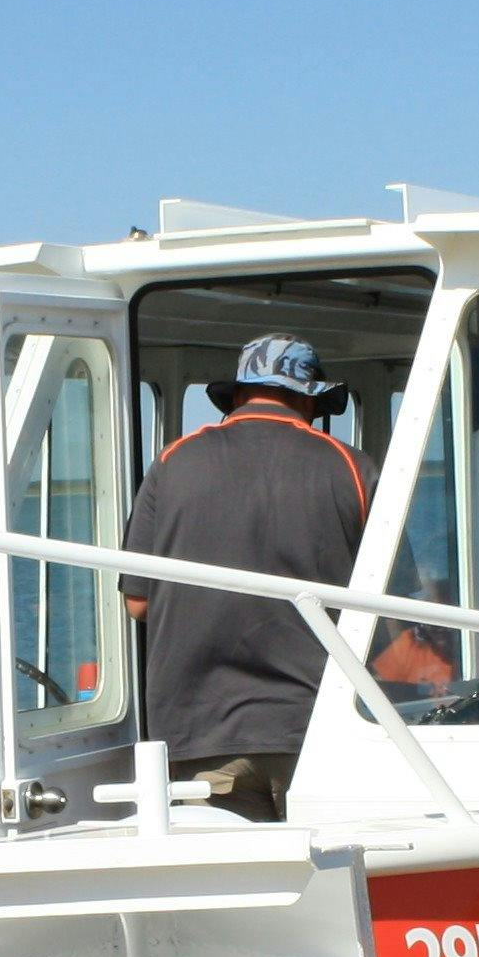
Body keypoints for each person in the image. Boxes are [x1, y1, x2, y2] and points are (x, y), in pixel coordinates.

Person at [118, 334, 371, 819]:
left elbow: (138, 603)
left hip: (202, 735)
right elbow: (392, 606)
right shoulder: (353, 469)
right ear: (309, 399)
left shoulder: (172, 464)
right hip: (319, 732)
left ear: (236, 397)